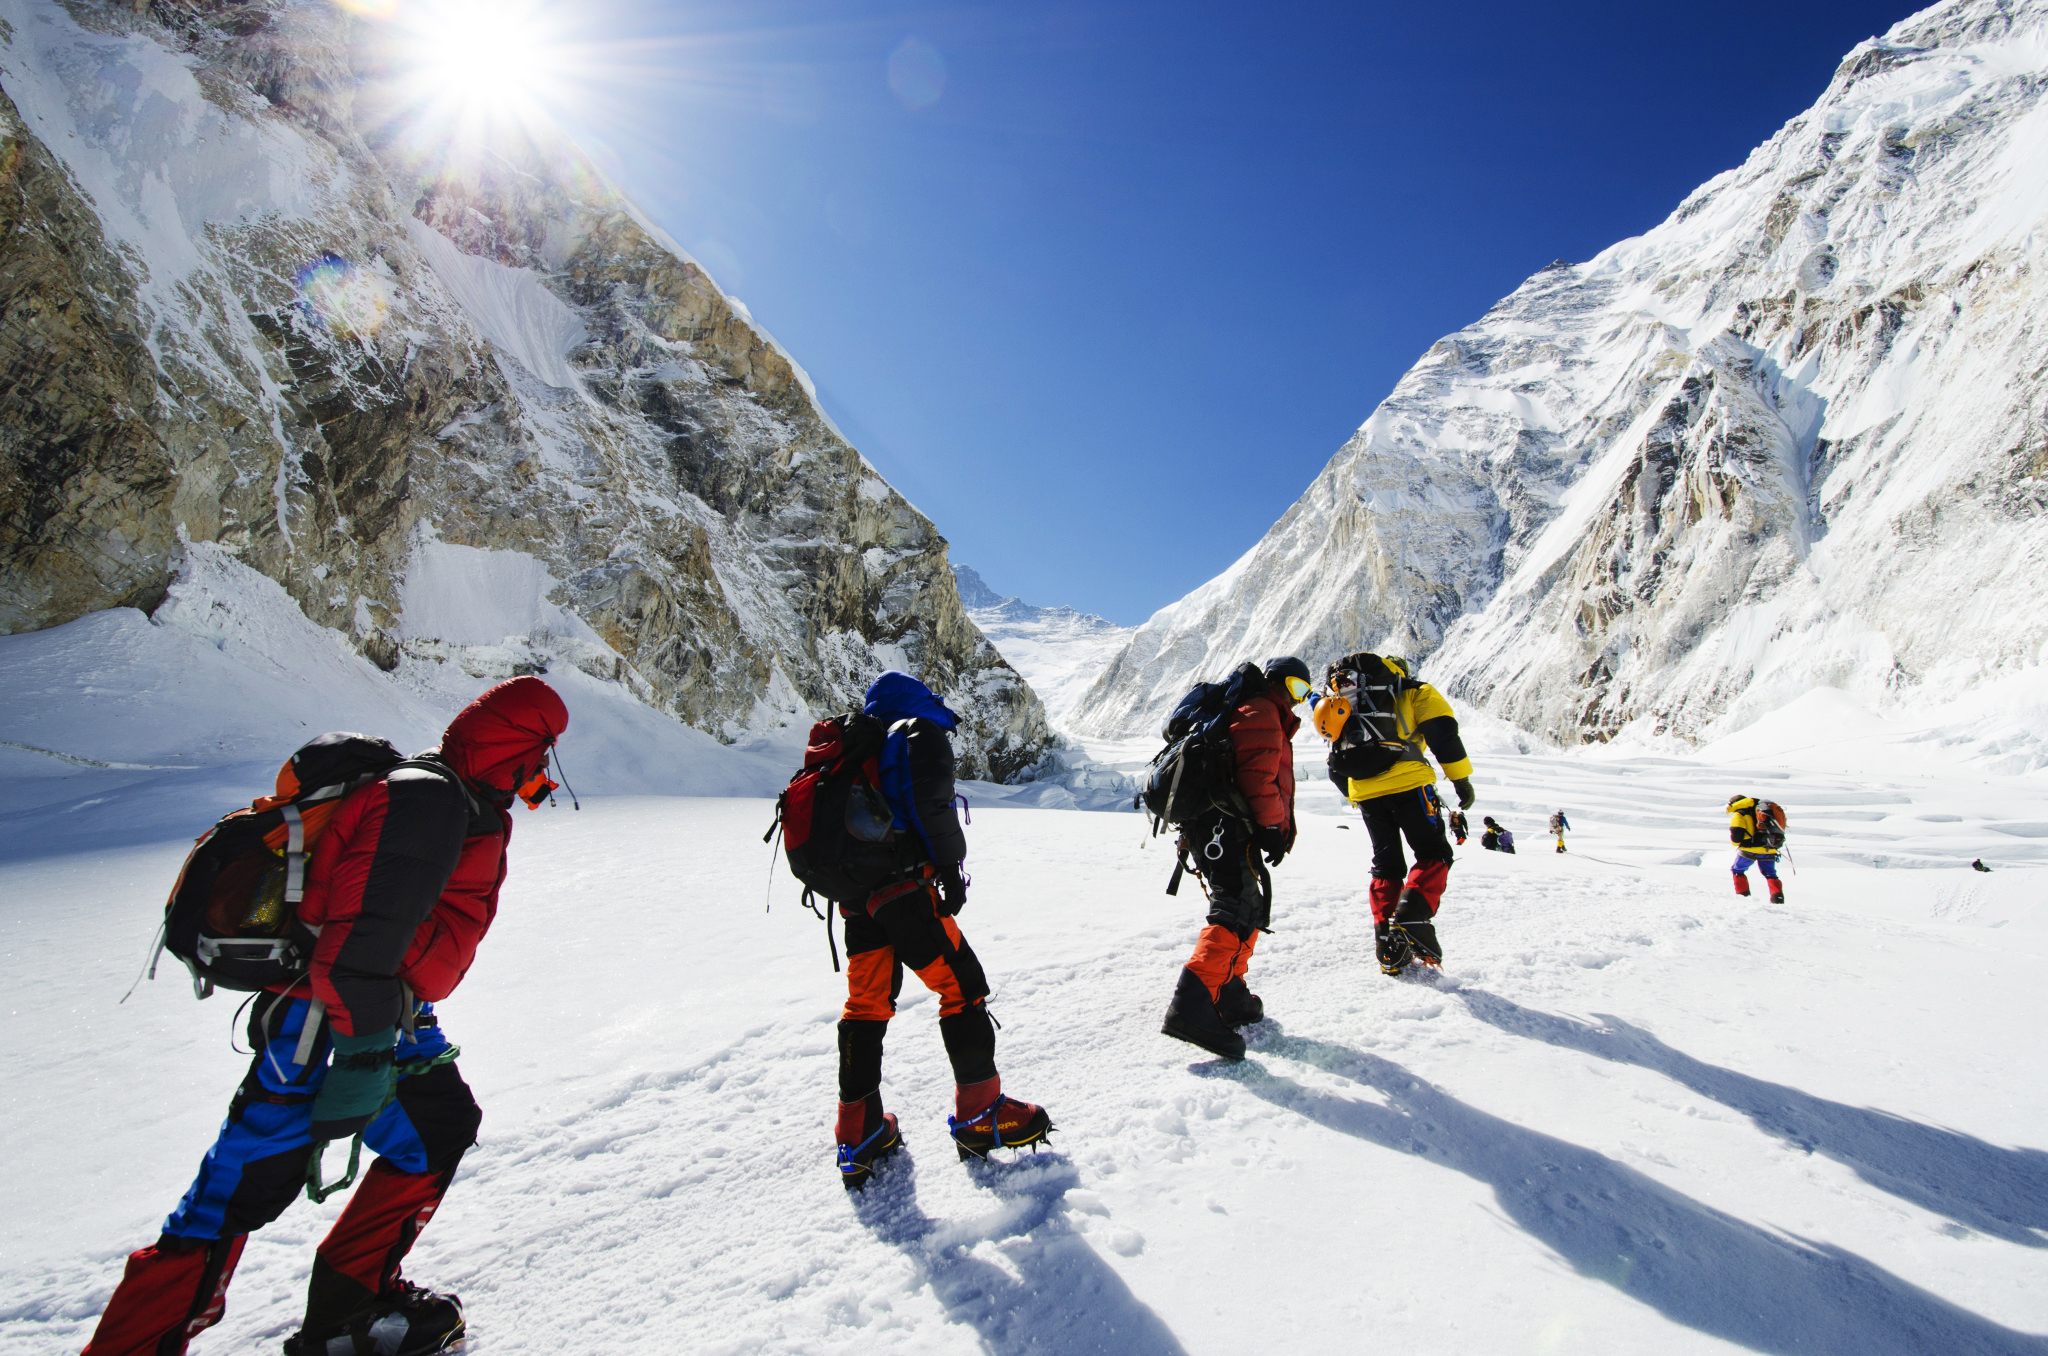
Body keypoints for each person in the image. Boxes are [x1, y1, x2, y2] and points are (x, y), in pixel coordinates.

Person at [82, 676, 571, 1356]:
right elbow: (356, 946)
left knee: (437, 1129)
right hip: (324, 1027)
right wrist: (364, 1057)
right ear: (520, 744)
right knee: (233, 1193)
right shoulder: (427, 800)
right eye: (543, 752)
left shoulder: (451, 791)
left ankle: (349, 1312)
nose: (544, 770)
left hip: (377, 1017)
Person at [834, 672, 1051, 1189]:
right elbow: (933, 810)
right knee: (963, 986)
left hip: (858, 903)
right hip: (905, 894)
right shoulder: (916, 732)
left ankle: (858, 1133)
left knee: (865, 1008)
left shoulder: (860, 746)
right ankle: (980, 1114)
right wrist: (951, 869)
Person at [1160, 656, 1310, 1062]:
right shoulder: (1261, 709)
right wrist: (1271, 827)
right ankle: (1192, 1004)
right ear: (1277, 682)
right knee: (1234, 904)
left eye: (1304, 693)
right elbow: (1259, 776)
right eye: (1296, 688)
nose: (1298, 700)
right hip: (1227, 821)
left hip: (1217, 822)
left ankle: (1227, 991)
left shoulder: (1252, 708)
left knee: (1248, 903)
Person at [1317, 654, 1475, 976]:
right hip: (1410, 785)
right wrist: (1461, 780)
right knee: (1435, 854)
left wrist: (1357, 796)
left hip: (1365, 792)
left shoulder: (1349, 703)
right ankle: (1411, 915)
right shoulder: (1414, 691)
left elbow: (1336, 760)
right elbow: (1443, 735)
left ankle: (1387, 945)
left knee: (1386, 864)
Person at [1727, 794, 1786, 903]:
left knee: (1737, 870)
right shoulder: (1761, 810)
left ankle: (1743, 897)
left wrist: (1736, 843)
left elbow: (1736, 833)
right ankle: (1777, 898)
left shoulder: (1739, 814)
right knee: (1770, 874)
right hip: (1770, 847)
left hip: (1749, 849)